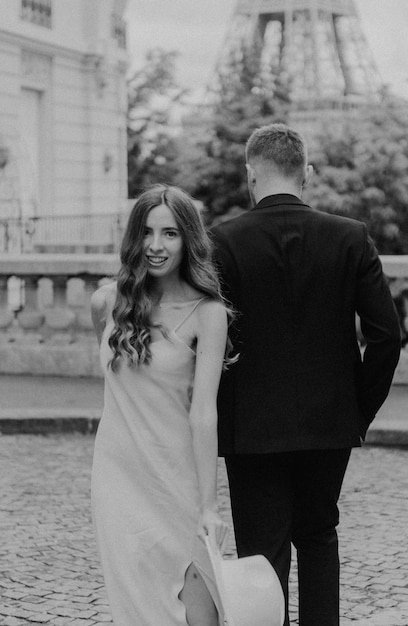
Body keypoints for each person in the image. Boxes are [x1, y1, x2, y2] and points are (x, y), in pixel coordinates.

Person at [210, 123, 401, 626]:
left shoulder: (222, 242)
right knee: (318, 537)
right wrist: (360, 410)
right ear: (307, 174)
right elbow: (386, 335)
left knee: (261, 553)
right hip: (330, 421)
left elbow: (206, 339)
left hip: (250, 426)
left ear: (251, 175)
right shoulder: (350, 237)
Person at [90, 184, 231, 626]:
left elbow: (204, 412)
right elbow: (117, 390)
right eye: (147, 233)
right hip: (118, 478)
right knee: (136, 606)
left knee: (200, 610)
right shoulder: (106, 303)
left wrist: (209, 505)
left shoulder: (208, 313)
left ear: (188, 238)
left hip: (177, 477)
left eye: (169, 233)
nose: (155, 246)